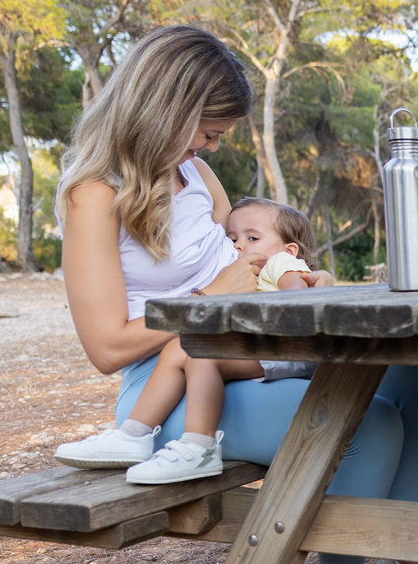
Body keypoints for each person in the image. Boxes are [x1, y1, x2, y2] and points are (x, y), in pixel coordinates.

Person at [56, 24, 418, 564]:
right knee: (365, 420)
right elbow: (107, 347)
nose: (209, 145)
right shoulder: (94, 195)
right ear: (162, 108)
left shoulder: (197, 178)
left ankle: (407, 562)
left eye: (217, 136)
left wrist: (296, 283)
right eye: (207, 129)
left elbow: (247, 267)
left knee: (406, 376)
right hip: (167, 388)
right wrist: (209, 301)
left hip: (236, 356)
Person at [55, 196, 332, 484]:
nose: (238, 246)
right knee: (183, 346)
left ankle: (199, 447)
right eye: (232, 237)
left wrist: (303, 281)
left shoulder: (280, 263)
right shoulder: (251, 271)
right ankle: (133, 435)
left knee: (203, 355)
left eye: (252, 238)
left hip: (282, 348)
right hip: (256, 346)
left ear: (289, 248)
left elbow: (298, 298)